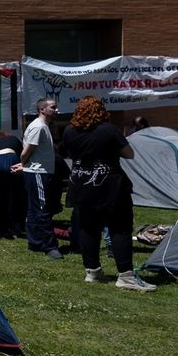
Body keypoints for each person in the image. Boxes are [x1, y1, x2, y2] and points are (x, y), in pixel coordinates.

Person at [63, 96, 156, 292]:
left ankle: (92, 271)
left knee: (88, 228)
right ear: (101, 111)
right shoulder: (108, 130)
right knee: (120, 228)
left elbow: (70, 152)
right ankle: (126, 276)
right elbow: (129, 154)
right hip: (110, 186)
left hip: (81, 183)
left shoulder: (69, 131)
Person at [12, 98, 63, 260]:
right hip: (38, 173)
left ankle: (35, 242)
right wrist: (24, 164)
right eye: (53, 107)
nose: (56, 110)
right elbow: (26, 151)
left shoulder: (43, 126)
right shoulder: (38, 127)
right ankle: (49, 245)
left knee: (35, 209)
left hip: (40, 171)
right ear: (42, 109)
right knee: (42, 209)